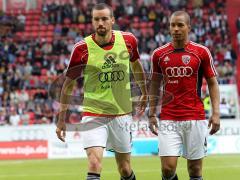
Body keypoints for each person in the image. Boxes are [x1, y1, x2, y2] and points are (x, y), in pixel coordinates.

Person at [56, 3, 147, 180]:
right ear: (92, 22)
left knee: (125, 168)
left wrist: (144, 91)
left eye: (104, 19)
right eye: (97, 19)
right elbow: (68, 85)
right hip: (94, 114)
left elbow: (136, 66)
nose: (101, 23)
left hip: (122, 114)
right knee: (94, 163)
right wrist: (61, 119)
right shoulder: (81, 49)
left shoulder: (128, 41)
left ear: (112, 20)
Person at [148, 11, 220, 180]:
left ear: (189, 27)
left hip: (195, 117)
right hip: (168, 118)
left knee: (195, 170)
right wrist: (151, 113)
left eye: (180, 25)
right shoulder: (159, 54)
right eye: (173, 25)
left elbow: (212, 83)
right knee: (167, 169)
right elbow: (154, 85)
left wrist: (216, 113)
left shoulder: (201, 52)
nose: (176, 29)